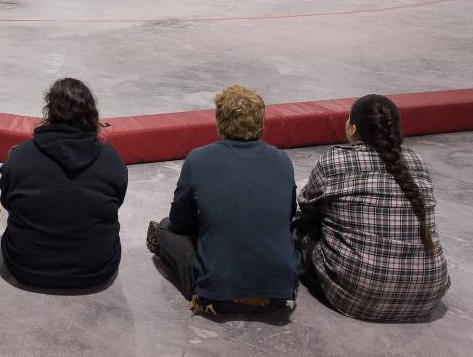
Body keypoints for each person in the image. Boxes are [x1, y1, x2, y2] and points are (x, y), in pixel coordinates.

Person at [294, 95, 450, 321]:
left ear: (353, 128)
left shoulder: (335, 160)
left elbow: (306, 208)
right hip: (429, 293)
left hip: (361, 293)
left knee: (297, 230)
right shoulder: (417, 161)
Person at [146, 85, 299, 314]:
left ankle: (207, 289)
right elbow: (286, 218)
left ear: (219, 122)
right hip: (280, 287)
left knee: (165, 228)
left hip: (217, 287)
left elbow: (180, 222)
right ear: (261, 122)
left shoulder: (198, 159)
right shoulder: (282, 160)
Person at [0, 78, 127, 290]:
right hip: (95, 271)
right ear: (91, 114)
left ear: (50, 112)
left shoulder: (20, 156)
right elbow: (117, 201)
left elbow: (8, 202)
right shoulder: (112, 159)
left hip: (27, 268)